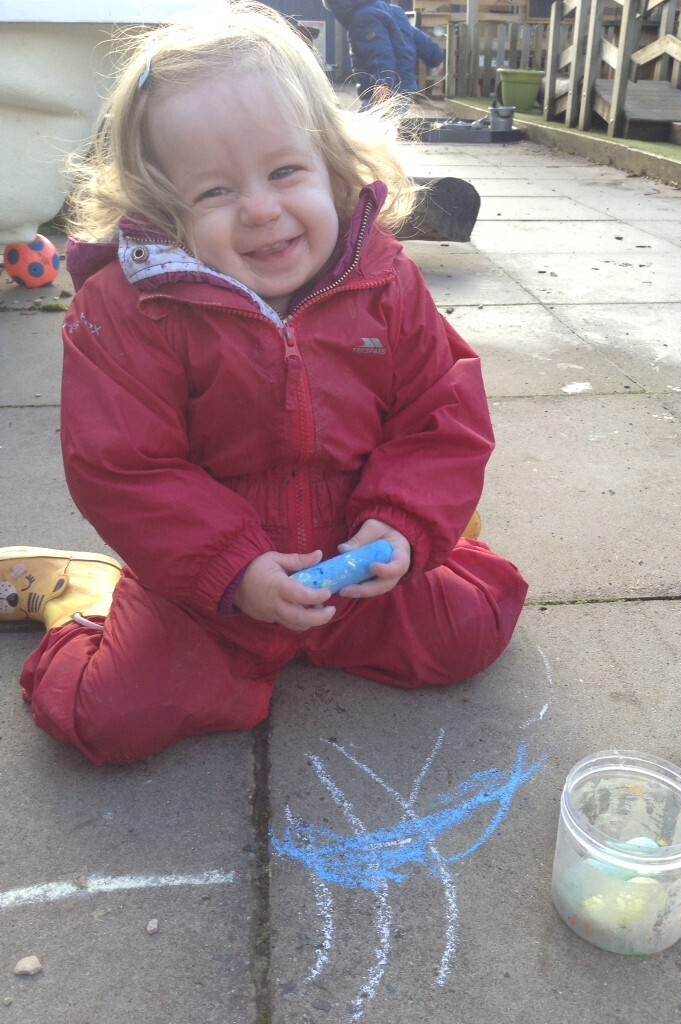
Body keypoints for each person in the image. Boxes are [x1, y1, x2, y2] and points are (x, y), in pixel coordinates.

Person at [0, 2, 527, 765]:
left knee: (474, 627)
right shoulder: (129, 311)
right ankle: (81, 596)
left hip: (351, 562)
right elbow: (124, 468)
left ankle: (430, 532)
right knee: (104, 718)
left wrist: (404, 524)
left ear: (334, 166)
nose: (259, 209)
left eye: (284, 172)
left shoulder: (384, 280)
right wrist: (233, 570)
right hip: (209, 587)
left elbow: (440, 411)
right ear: (162, 207)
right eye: (214, 192)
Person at [323, 0, 443, 108]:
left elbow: (379, 51)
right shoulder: (390, 10)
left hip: (385, 91)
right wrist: (437, 58)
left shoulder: (363, 18)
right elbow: (418, 38)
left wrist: (382, 81)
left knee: (367, 124)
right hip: (402, 88)